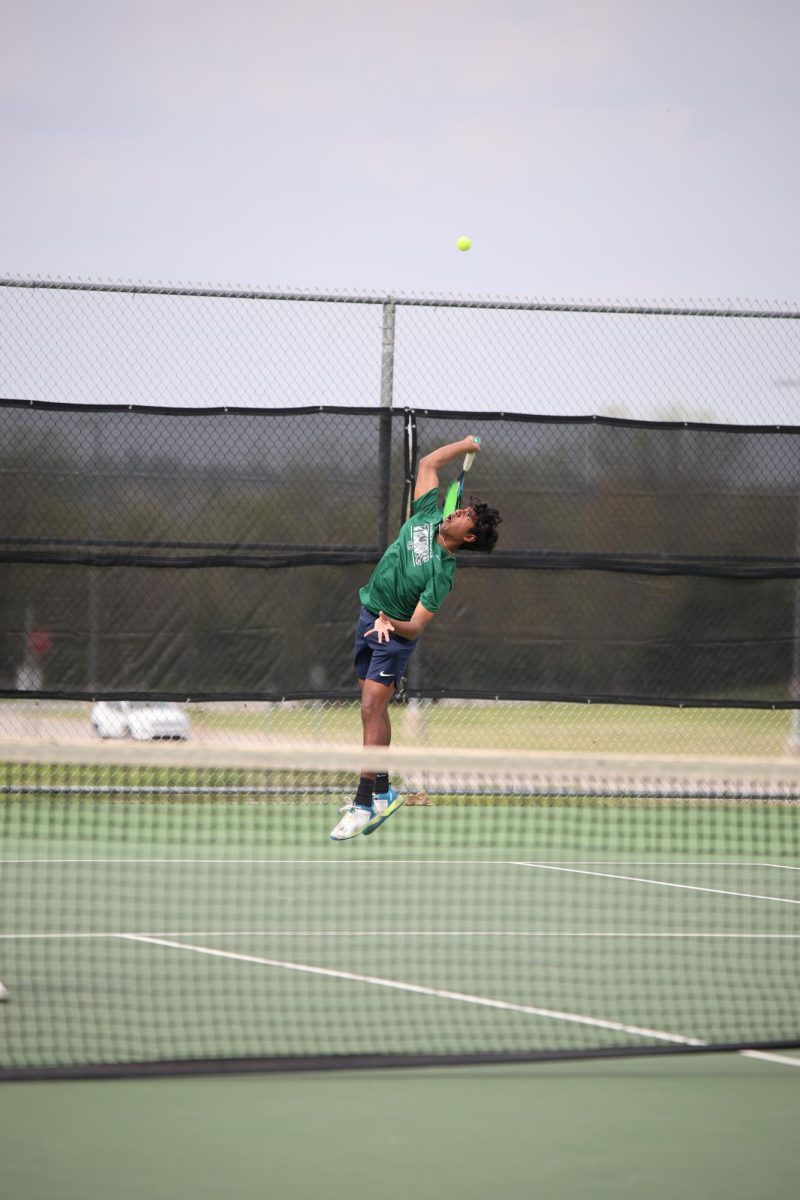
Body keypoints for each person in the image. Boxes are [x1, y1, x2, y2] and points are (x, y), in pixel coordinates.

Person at [330, 435, 502, 841]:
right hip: (368, 613)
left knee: (373, 706)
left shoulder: (443, 573)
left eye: (463, 516)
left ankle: (362, 803)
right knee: (370, 712)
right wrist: (463, 445)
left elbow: (418, 626)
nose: (456, 513)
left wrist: (393, 622)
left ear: (470, 536)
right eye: (458, 508)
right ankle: (385, 790)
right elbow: (427, 465)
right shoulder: (427, 513)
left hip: (394, 634)